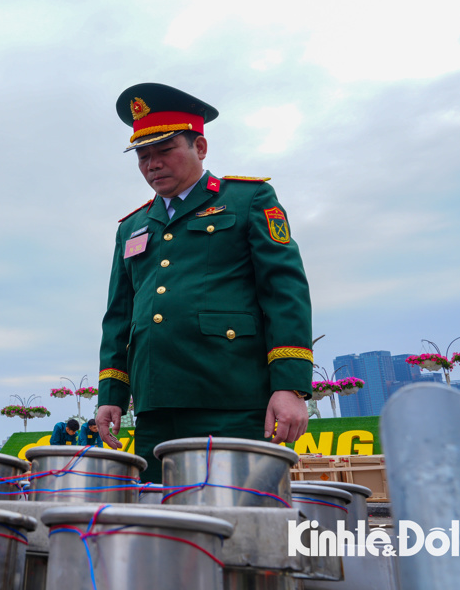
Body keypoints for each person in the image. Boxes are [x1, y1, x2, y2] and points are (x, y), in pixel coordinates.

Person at [94, 83, 313, 483]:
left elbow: (285, 291)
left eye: (164, 151)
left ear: (201, 147)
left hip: (230, 397)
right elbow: (118, 317)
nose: (152, 164)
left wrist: (291, 387)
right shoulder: (132, 227)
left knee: (237, 519)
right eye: (143, 156)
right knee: (160, 520)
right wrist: (111, 397)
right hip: (155, 404)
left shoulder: (248, 199)